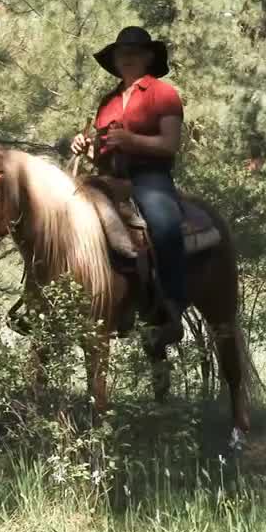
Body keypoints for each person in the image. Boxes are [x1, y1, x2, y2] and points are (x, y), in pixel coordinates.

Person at [71, 25, 187, 351]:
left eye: (135, 52)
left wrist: (131, 140)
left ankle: (171, 307)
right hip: (108, 177)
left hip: (149, 176)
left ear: (149, 57)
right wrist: (86, 148)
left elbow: (170, 144)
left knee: (163, 223)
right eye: (122, 53)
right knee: (61, 216)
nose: (128, 58)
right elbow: (102, 152)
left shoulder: (163, 94)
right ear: (115, 59)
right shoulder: (107, 101)